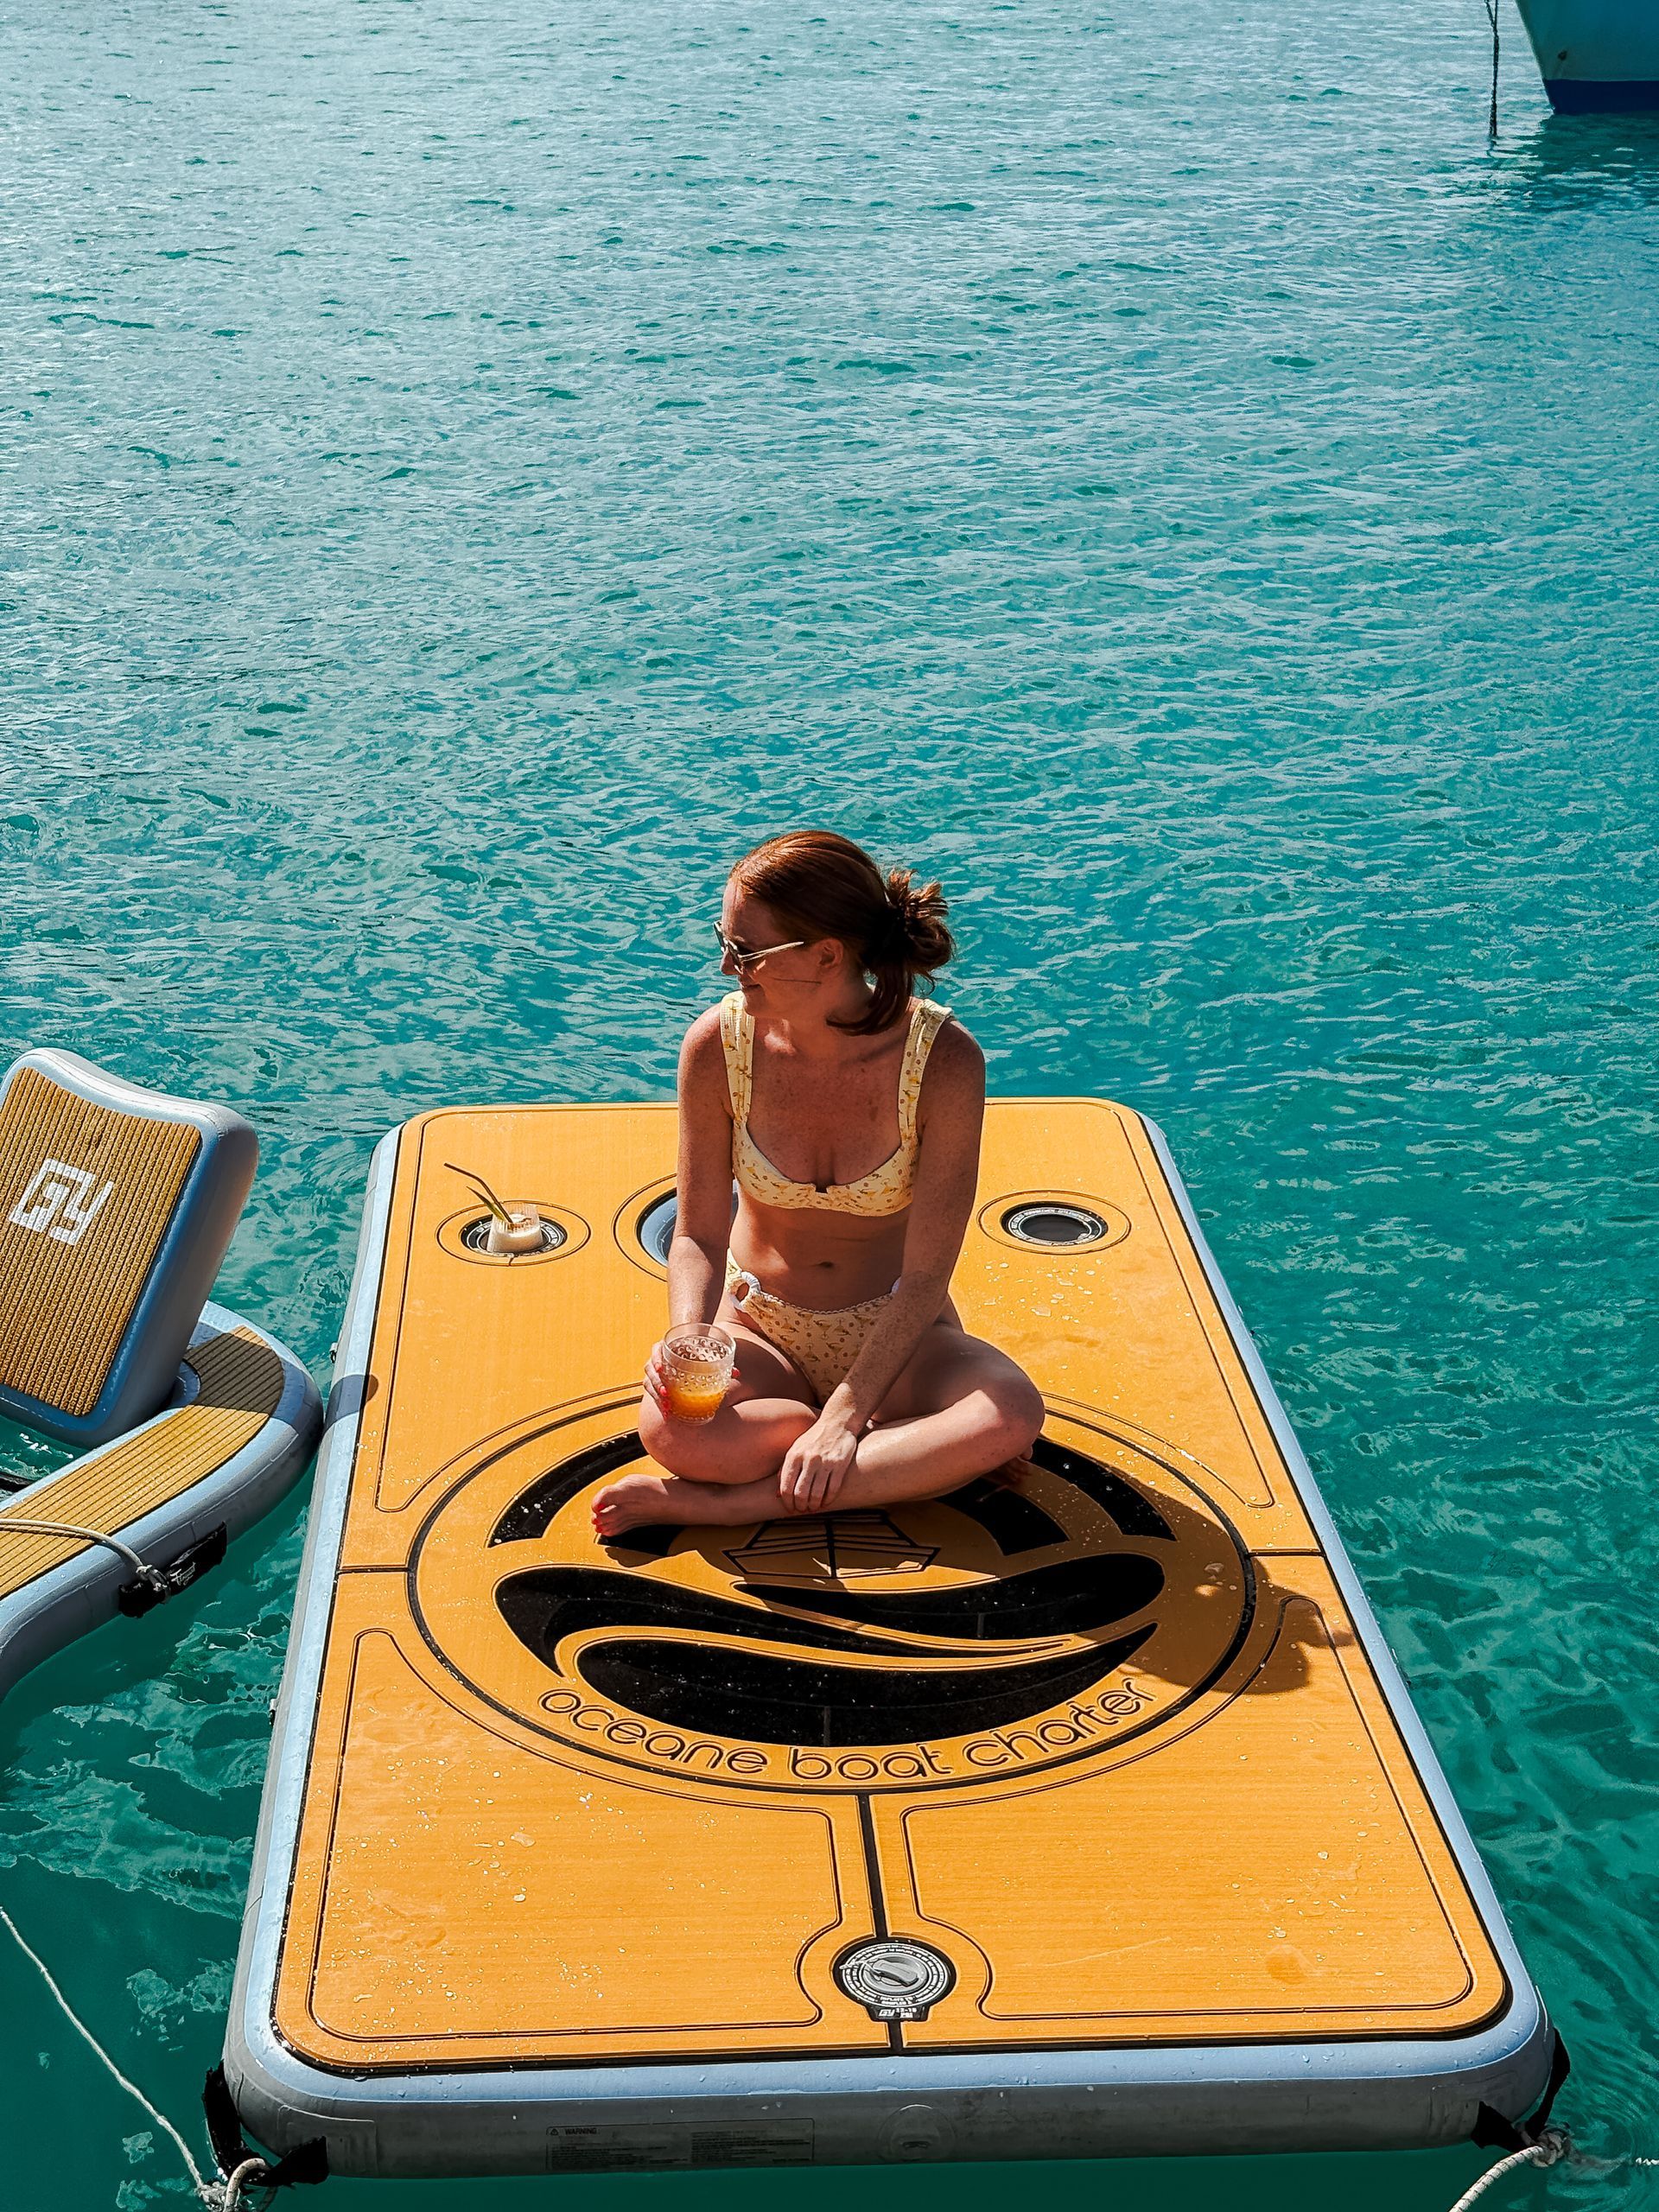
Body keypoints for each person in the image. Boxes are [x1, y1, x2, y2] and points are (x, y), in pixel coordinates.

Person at [592, 830, 1045, 1541]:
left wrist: (840, 1423)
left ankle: (738, 1501)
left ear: (827, 954)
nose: (725, 964)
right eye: (725, 940)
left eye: (746, 951)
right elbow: (699, 1232)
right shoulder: (717, 1045)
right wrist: (687, 1340)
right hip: (757, 1323)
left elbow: (926, 1276)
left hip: (898, 1334)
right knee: (674, 1434)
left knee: (1011, 1414)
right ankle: (903, 1459)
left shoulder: (944, 1062)